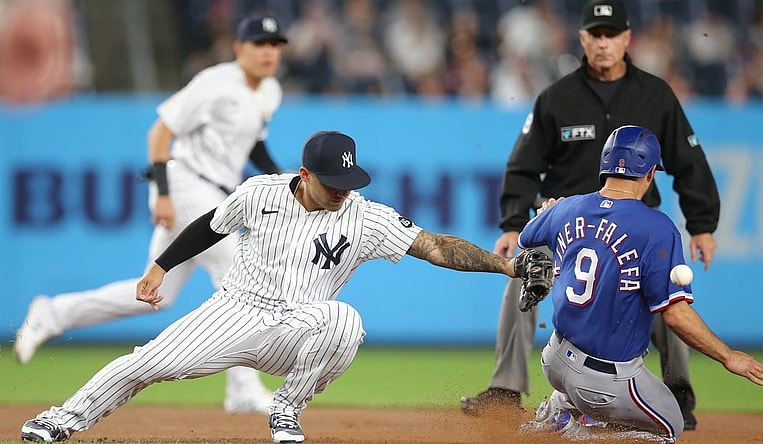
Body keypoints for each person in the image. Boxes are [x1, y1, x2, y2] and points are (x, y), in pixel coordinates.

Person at [19, 130, 533, 444]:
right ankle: (63, 419)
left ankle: (286, 411)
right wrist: (159, 265)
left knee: (346, 321)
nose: (342, 192)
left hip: (298, 322)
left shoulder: (364, 216)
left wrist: (508, 268)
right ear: (304, 173)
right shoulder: (260, 191)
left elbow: (436, 246)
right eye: (332, 182)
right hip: (234, 309)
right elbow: (207, 226)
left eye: (350, 182)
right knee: (146, 363)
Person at [460, 0, 720, 431]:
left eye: (611, 34)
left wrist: (703, 225)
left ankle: (678, 394)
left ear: (626, 38)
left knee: (670, 293)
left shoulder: (655, 95)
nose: (603, 43)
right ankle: (506, 389)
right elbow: (523, 166)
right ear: (582, 39)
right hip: (569, 228)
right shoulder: (556, 98)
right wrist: (512, 223)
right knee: (524, 275)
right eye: (595, 35)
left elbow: (689, 162)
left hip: (634, 229)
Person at [13, 14, 289, 415]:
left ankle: (53, 313)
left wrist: (287, 182)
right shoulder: (215, 83)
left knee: (152, 294)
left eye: (275, 45)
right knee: (239, 273)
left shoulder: (270, 92)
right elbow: (159, 133)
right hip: (185, 183)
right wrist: (161, 193)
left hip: (215, 190)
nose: (269, 52)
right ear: (239, 48)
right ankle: (243, 387)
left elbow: (254, 147)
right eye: (260, 44)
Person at [515, 124, 763, 442]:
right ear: (650, 172)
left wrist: (549, 210)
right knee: (670, 428)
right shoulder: (656, 227)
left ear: (605, 167)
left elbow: (528, 236)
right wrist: (727, 355)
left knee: (589, 378)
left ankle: (560, 408)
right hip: (603, 382)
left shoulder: (568, 207)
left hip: (554, 359)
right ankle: (576, 432)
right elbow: (675, 315)